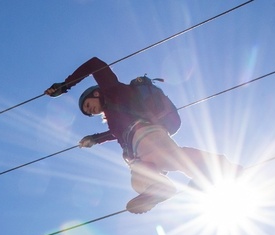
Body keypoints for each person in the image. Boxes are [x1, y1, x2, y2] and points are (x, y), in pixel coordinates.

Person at [45, 57, 242, 214]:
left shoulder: (113, 91)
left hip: (147, 135)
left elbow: (95, 64)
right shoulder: (114, 118)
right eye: (89, 113)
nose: (92, 112)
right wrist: (95, 139)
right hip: (138, 148)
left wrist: (66, 84)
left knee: (164, 163)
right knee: (144, 177)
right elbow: (116, 133)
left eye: (88, 106)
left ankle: (213, 170)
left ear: (96, 94)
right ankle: (211, 171)